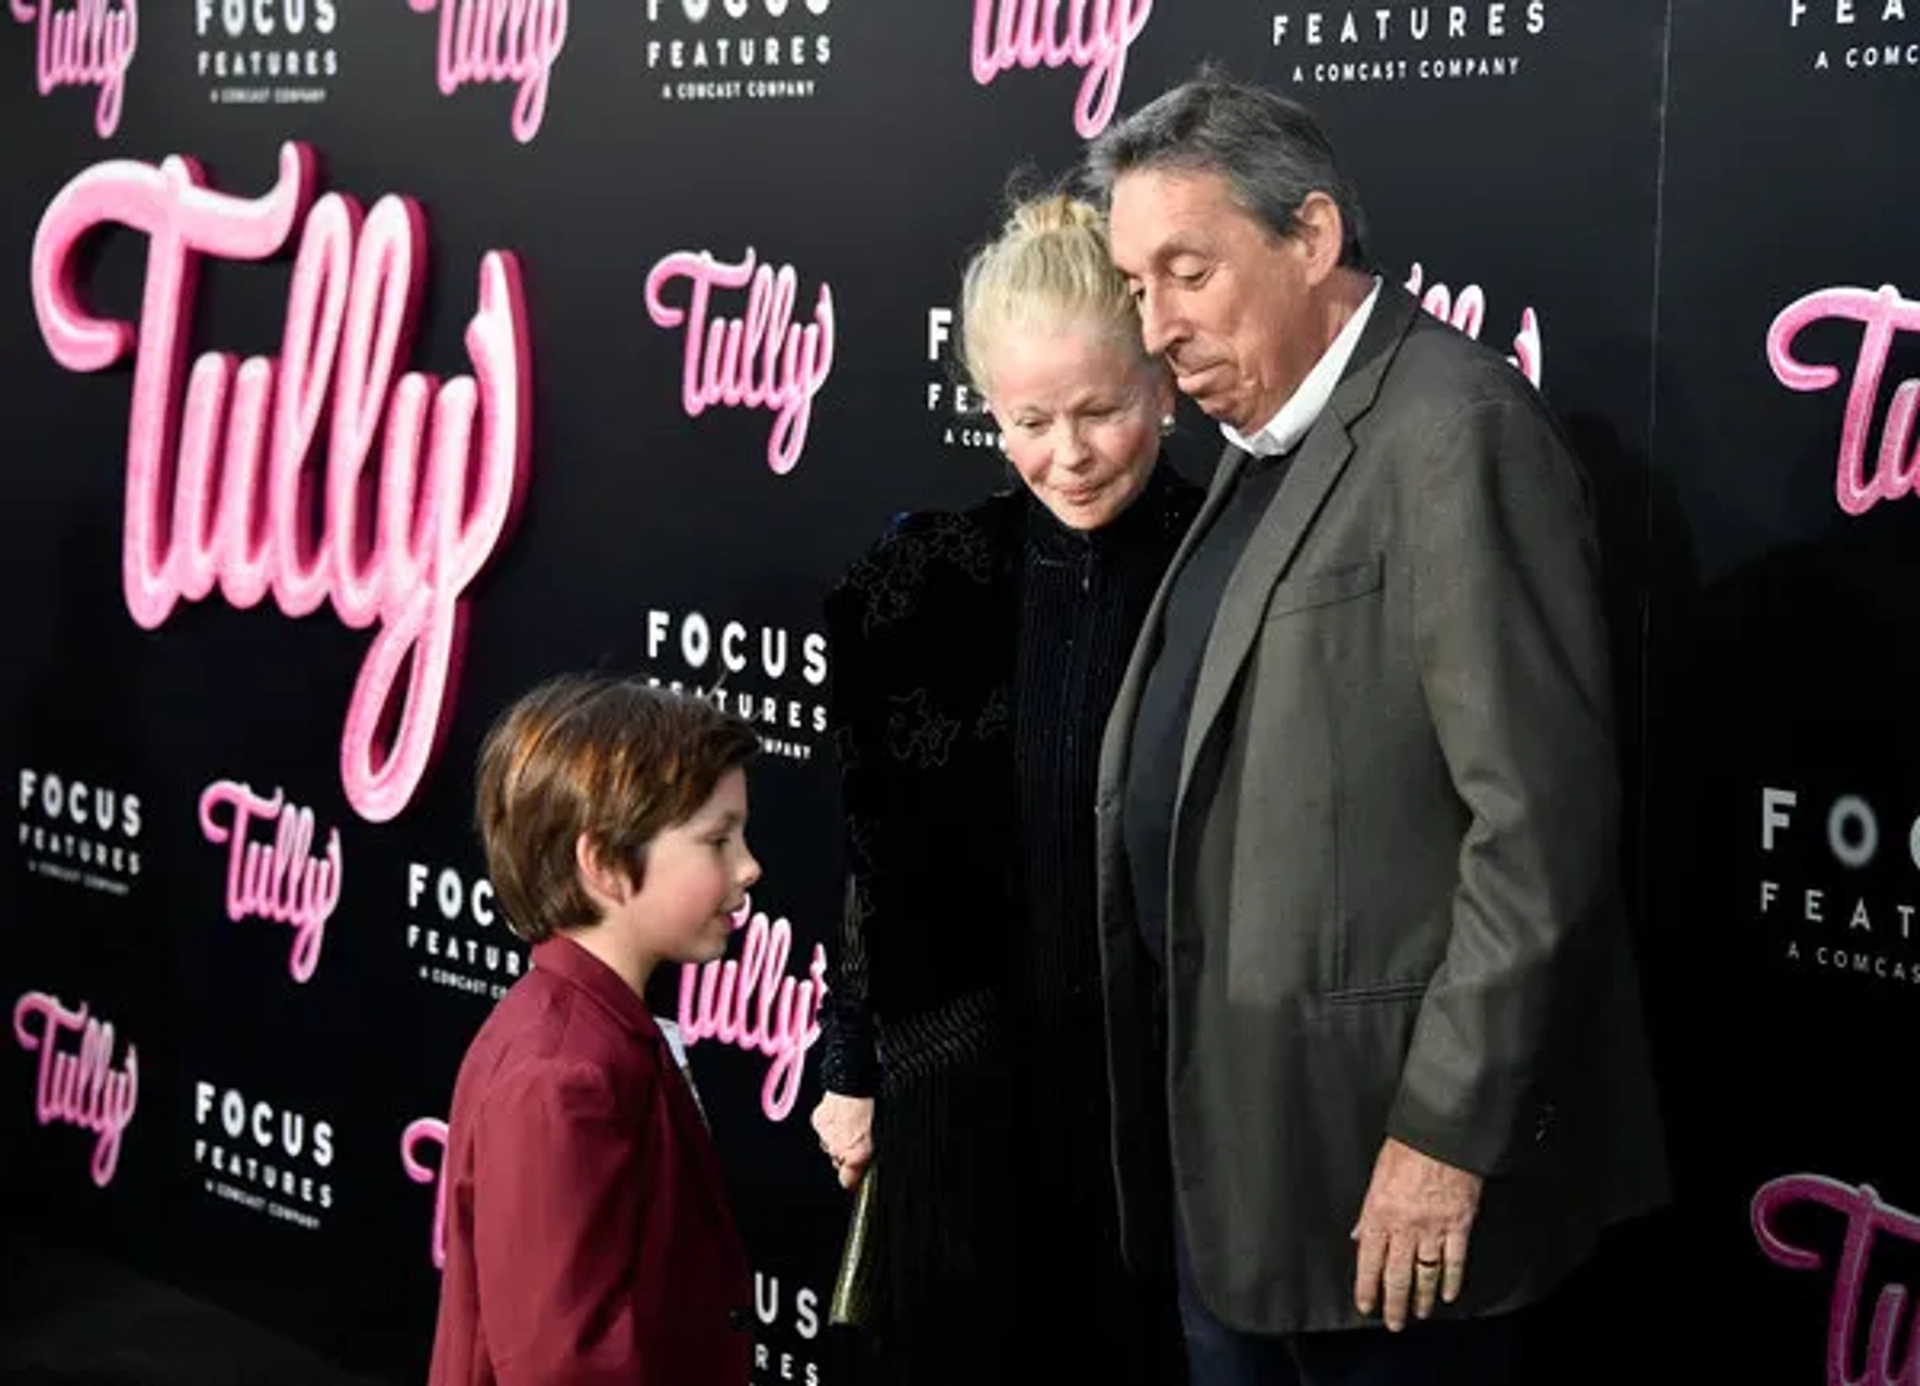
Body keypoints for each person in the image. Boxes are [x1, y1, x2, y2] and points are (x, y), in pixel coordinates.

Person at [1083, 76, 1671, 1385]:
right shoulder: (1260, 431)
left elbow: (1539, 825)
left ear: (1311, 238)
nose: (1155, 325)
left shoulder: (1453, 431)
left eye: (1187, 270)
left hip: (1390, 1217)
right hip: (1245, 1186)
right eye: (1133, 286)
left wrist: (1445, 1136)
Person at [808, 192, 1201, 1385]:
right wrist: (850, 1068)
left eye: (1102, 411)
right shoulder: (925, 579)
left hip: (1169, 1123)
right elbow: (884, 855)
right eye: (1031, 420)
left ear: (1168, 388)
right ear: (987, 408)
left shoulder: (1231, 566)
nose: (1068, 455)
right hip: (965, 1098)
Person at [426, 676, 762, 1386]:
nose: (748, 868)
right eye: (717, 841)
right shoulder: (559, 1076)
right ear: (605, 863)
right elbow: (560, 1364)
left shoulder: (603, 1034)